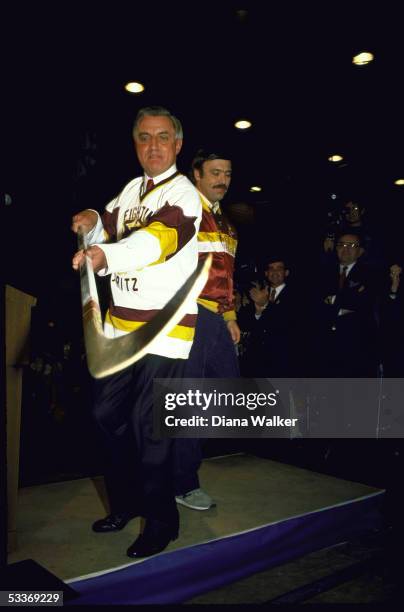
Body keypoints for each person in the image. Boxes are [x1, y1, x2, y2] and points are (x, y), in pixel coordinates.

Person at [71, 106, 202, 558]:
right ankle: (126, 503)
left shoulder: (186, 196)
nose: (153, 146)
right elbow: (108, 221)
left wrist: (107, 258)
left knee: (151, 432)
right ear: (135, 144)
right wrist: (91, 218)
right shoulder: (132, 189)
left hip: (164, 332)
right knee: (105, 418)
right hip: (119, 331)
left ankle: (162, 522)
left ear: (178, 145)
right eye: (144, 137)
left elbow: (155, 240)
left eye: (162, 137)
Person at [173, 149, 240, 511]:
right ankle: (183, 481)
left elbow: (225, 277)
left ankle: (175, 462)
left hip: (216, 318)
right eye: (215, 172)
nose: (222, 180)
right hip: (187, 314)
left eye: (227, 174)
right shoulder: (182, 211)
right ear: (195, 174)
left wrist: (229, 317)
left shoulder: (227, 224)